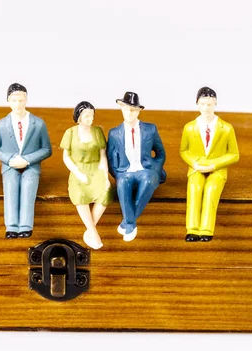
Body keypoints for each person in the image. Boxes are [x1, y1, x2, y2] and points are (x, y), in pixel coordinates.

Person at [179, 86, 240, 242]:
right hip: (196, 167)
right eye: (203, 104)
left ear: (215, 104)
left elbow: (234, 154)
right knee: (194, 188)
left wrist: (214, 165)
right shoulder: (189, 127)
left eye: (209, 104)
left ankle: (206, 230)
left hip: (217, 169)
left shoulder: (226, 128)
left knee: (211, 189)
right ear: (197, 104)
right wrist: (195, 163)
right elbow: (184, 151)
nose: (206, 108)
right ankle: (192, 229)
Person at [0, 83, 52, 238]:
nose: (17, 104)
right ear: (8, 101)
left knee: (28, 187)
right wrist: (10, 159)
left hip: (30, 166)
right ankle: (11, 227)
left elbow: (47, 149)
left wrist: (27, 160)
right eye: (14, 100)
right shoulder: (0, 125)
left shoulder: (38, 124)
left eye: (21, 100)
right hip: (10, 166)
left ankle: (25, 226)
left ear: (26, 100)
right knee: (10, 187)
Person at [107, 92, 166, 242]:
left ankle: (127, 223)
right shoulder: (114, 133)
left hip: (146, 169)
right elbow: (110, 158)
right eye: (126, 109)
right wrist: (117, 174)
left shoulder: (150, 129)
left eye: (133, 110)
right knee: (122, 184)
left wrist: (156, 170)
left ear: (139, 111)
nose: (129, 113)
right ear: (121, 109)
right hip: (125, 171)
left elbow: (160, 153)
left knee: (148, 181)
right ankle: (130, 223)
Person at [60, 101, 113, 249]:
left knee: (105, 192)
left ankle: (90, 230)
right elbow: (66, 157)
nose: (90, 118)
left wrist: (105, 175)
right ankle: (93, 232)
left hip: (96, 167)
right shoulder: (70, 133)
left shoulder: (97, 132)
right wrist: (77, 172)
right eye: (86, 115)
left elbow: (103, 155)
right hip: (78, 168)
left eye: (92, 115)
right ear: (78, 117)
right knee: (80, 194)